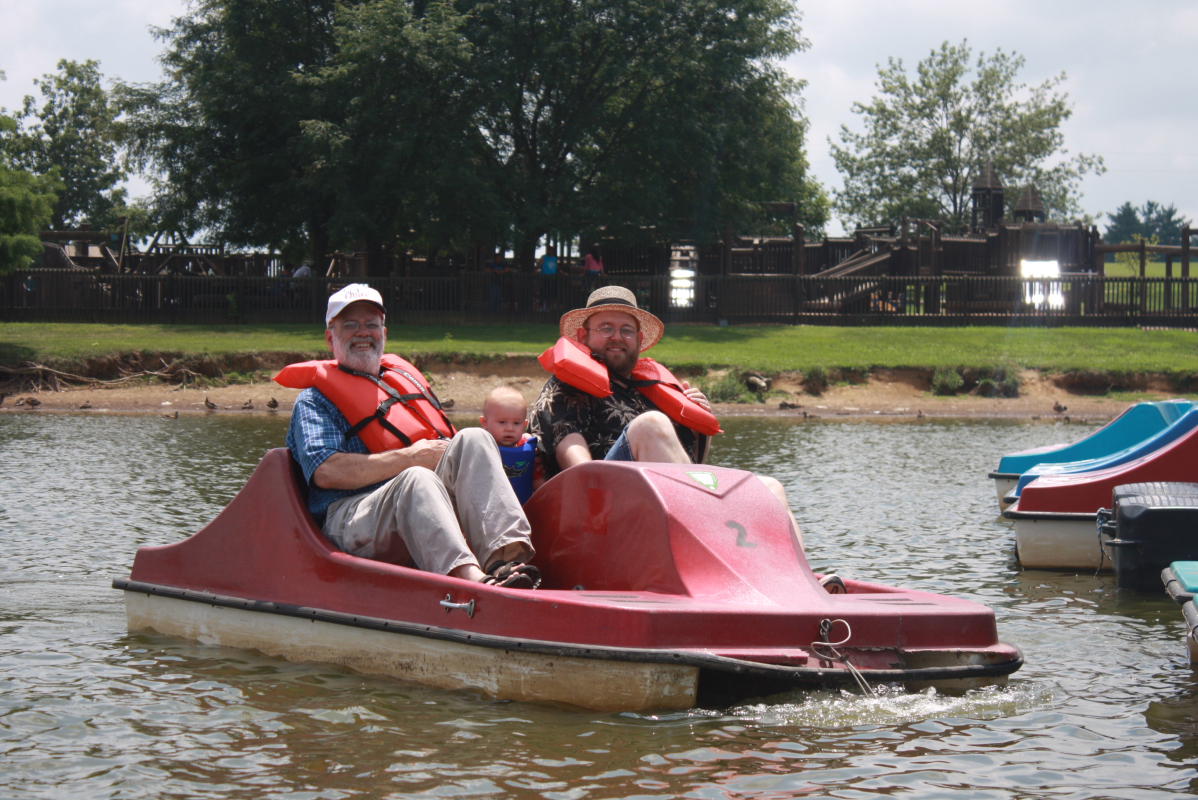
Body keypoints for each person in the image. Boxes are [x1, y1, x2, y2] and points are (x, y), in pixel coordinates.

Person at [278, 283, 540, 588]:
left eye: (371, 324)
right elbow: (326, 472)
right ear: (329, 337)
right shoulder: (315, 399)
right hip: (349, 520)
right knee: (417, 477)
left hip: (420, 505)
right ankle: (469, 582)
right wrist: (411, 458)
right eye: (350, 325)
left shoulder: (402, 383)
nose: (363, 332)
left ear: (384, 334)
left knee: (475, 438)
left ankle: (507, 563)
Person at [529, 285, 809, 553]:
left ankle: (801, 579)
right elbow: (580, 468)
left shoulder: (652, 393)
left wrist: (698, 425)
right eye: (606, 328)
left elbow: (693, 470)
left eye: (626, 330)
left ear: (639, 341)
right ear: (583, 336)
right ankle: (719, 543)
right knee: (651, 425)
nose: (617, 336)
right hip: (597, 506)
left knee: (769, 488)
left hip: (666, 506)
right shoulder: (564, 388)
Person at [479, 385, 538, 504]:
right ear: (485, 422)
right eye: (502, 422)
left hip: (524, 508)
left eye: (516, 423)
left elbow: (539, 482)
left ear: (525, 425)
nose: (510, 428)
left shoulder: (530, 448)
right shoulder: (480, 446)